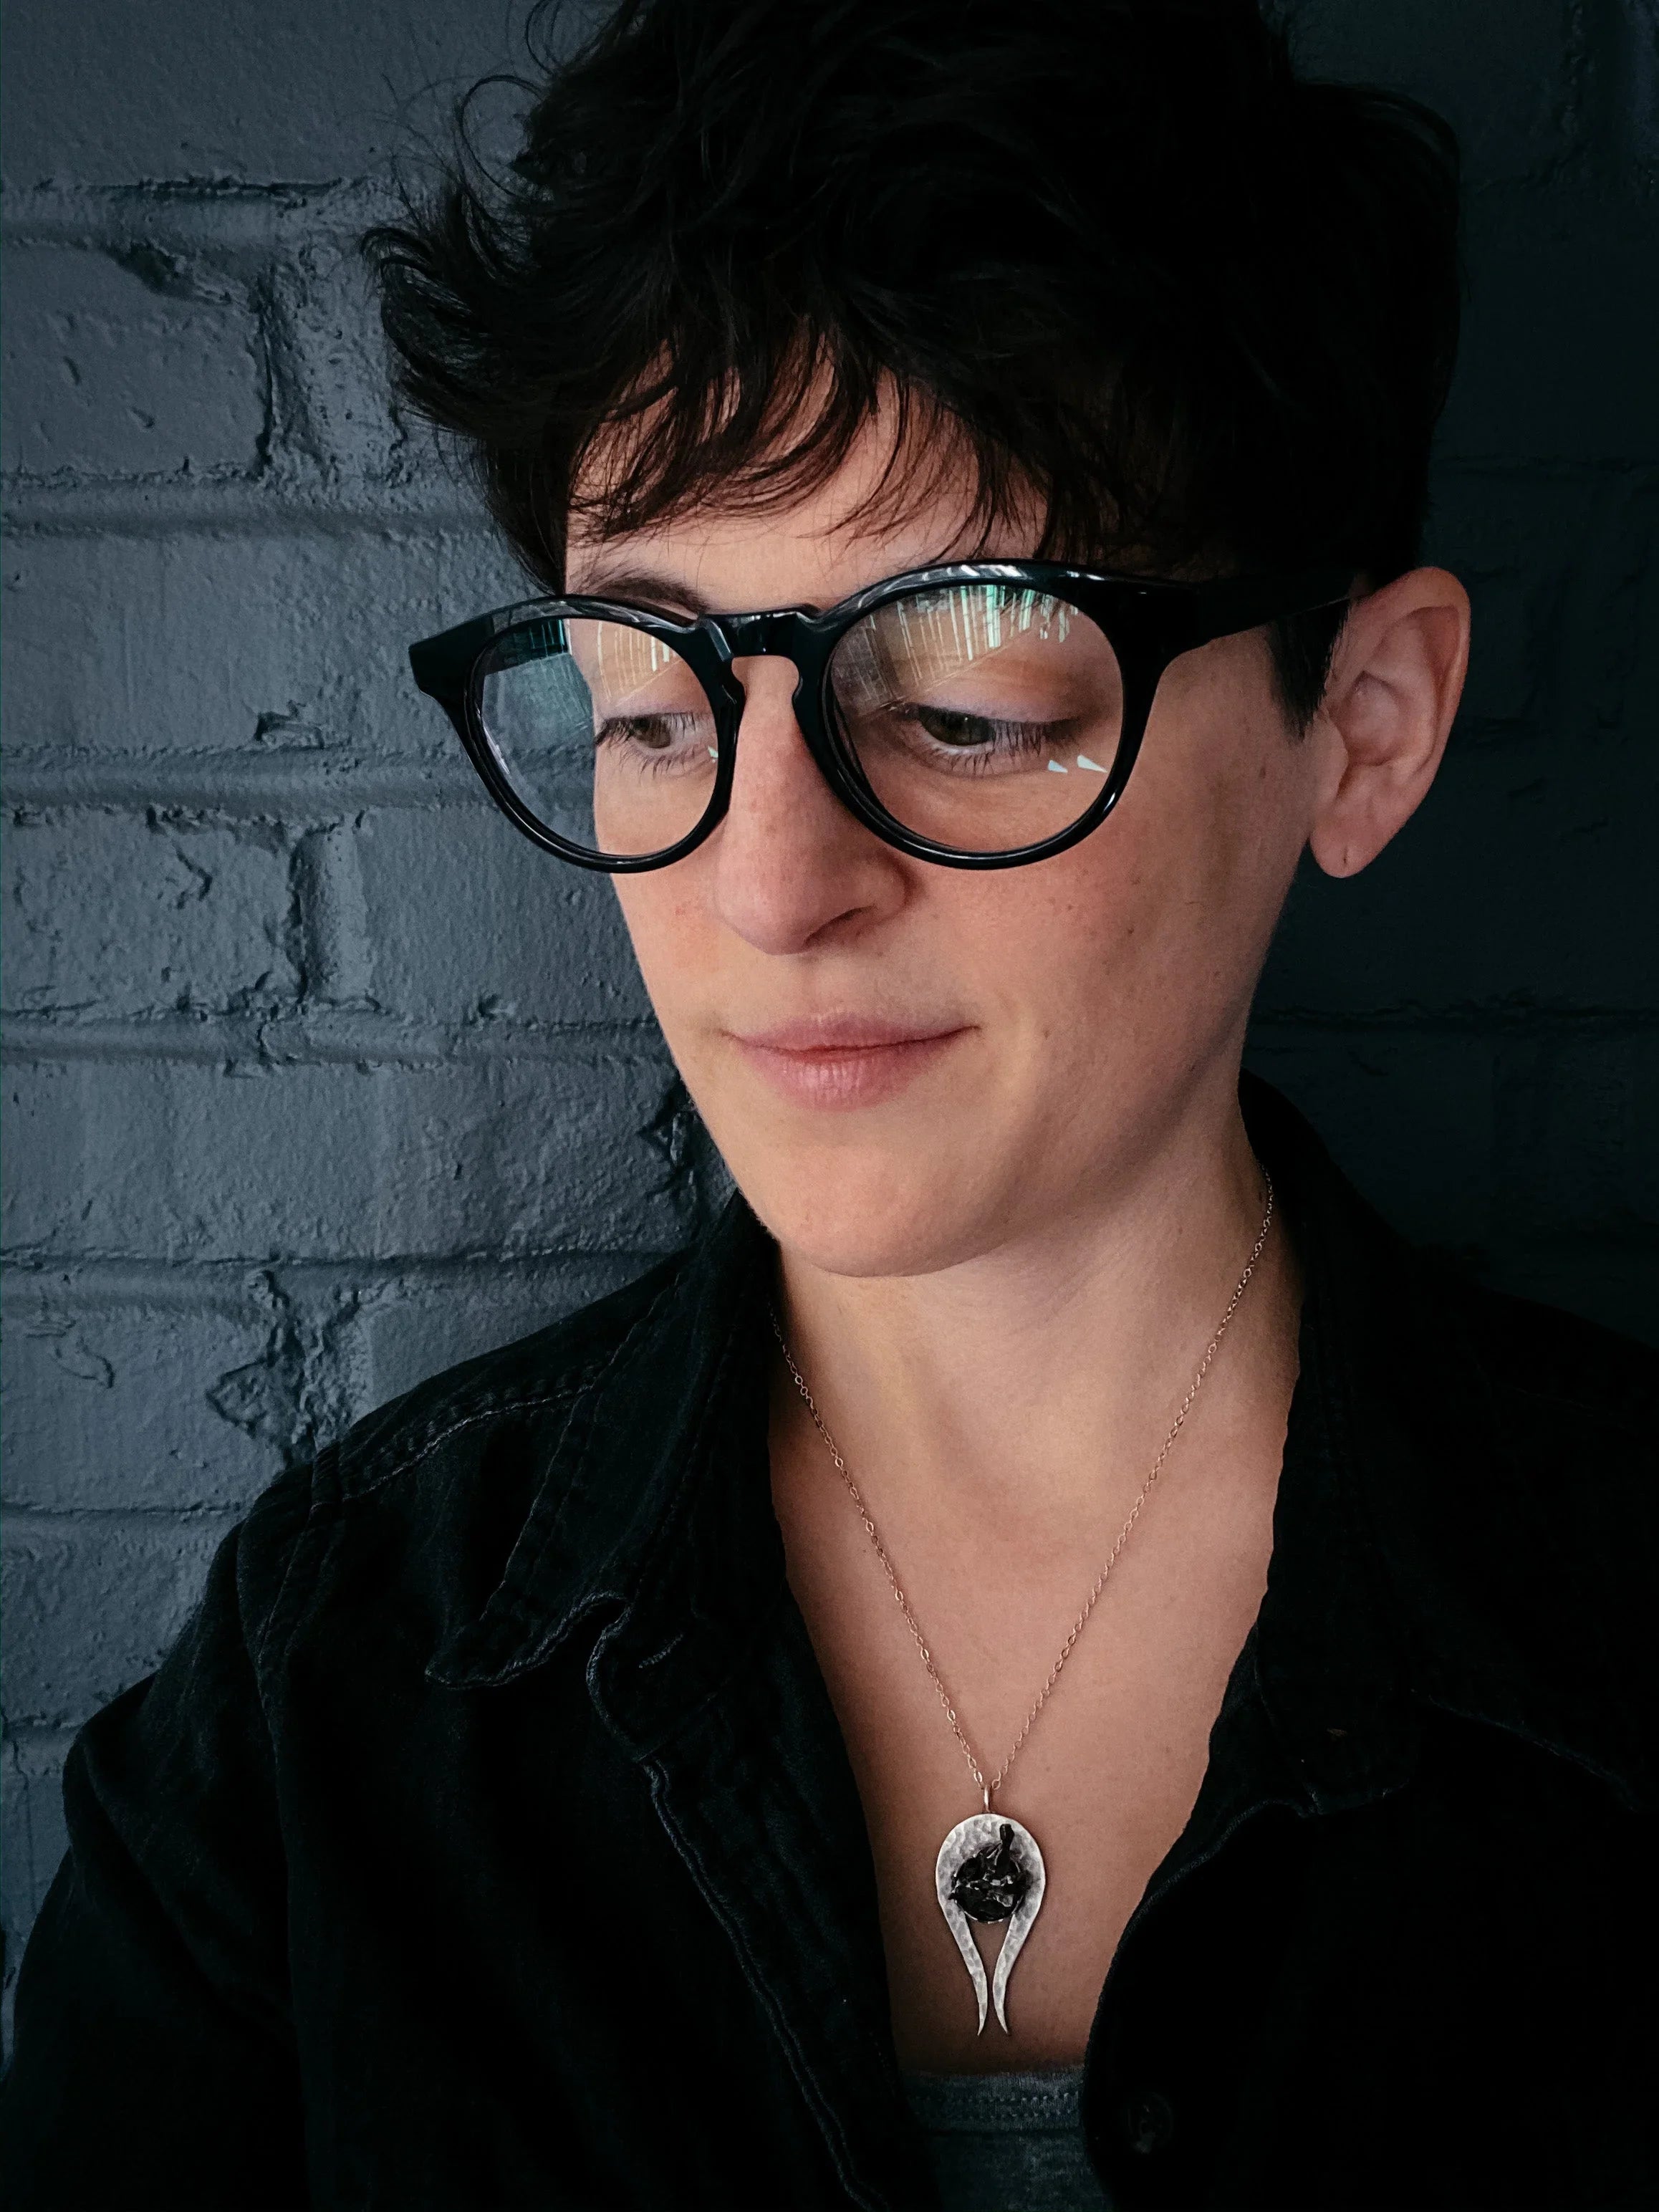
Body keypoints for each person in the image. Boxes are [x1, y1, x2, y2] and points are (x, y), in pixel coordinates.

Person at [3, 1, 1655, 2206]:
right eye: (656, 705)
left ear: (1359, 726)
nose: (767, 887)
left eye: (967, 699)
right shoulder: (329, 1703)